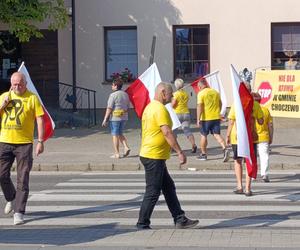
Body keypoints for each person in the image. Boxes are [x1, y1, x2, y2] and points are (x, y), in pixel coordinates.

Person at [136, 82, 199, 230]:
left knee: (169, 187)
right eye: (170, 95)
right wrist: (179, 151)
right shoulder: (159, 109)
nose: (171, 98)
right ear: (163, 92)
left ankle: (180, 218)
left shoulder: (150, 107)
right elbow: (167, 132)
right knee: (153, 191)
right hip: (153, 156)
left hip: (152, 154)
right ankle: (142, 223)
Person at [0, 72, 45, 225]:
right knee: (2, 175)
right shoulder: (4, 96)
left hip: (24, 143)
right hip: (4, 141)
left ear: (25, 83)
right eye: (14, 84)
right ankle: (11, 198)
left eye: (20, 84)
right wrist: (3, 105)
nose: (17, 87)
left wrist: (40, 141)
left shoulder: (32, 98)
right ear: (11, 84)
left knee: (23, 178)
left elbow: (40, 119)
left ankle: (19, 212)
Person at [226, 83, 264, 197]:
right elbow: (261, 121)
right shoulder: (255, 104)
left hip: (237, 137)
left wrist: (227, 135)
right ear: (250, 90)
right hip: (250, 136)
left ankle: (239, 186)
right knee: (249, 161)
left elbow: (231, 121)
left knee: (238, 161)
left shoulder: (236, 104)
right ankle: (248, 188)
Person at [196, 78, 229, 161]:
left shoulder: (201, 94)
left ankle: (203, 154)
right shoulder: (215, 92)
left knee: (203, 135)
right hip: (216, 117)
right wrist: (218, 112)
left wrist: (198, 119)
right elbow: (220, 104)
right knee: (217, 134)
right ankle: (225, 148)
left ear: (200, 86)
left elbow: (200, 106)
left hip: (206, 118)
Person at [102, 78, 130, 158]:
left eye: (112, 85)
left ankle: (116, 153)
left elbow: (109, 108)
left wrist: (105, 119)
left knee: (115, 135)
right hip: (124, 117)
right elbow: (128, 107)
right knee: (120, 133)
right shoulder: (125, 94)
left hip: (115, 118)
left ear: (116, 86)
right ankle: (126, 147)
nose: (112, 86)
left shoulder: (113, 95)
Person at [171, 78, 197, 153]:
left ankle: (173, 147)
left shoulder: (176, 94)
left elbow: (173, 104)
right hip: (186, 113)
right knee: (187, 131)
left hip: (177, 114)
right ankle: (193, 144)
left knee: (173, 132)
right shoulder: (186, 94)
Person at [253, 93, 273, 182]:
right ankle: (264, 174)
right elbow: (270, 125)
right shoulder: (266, 110)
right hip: (264, 136)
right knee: (264, 155)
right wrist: (271, 136)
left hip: (252, 136)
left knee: (252, 156)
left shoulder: (250, 109)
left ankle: (252, 175)